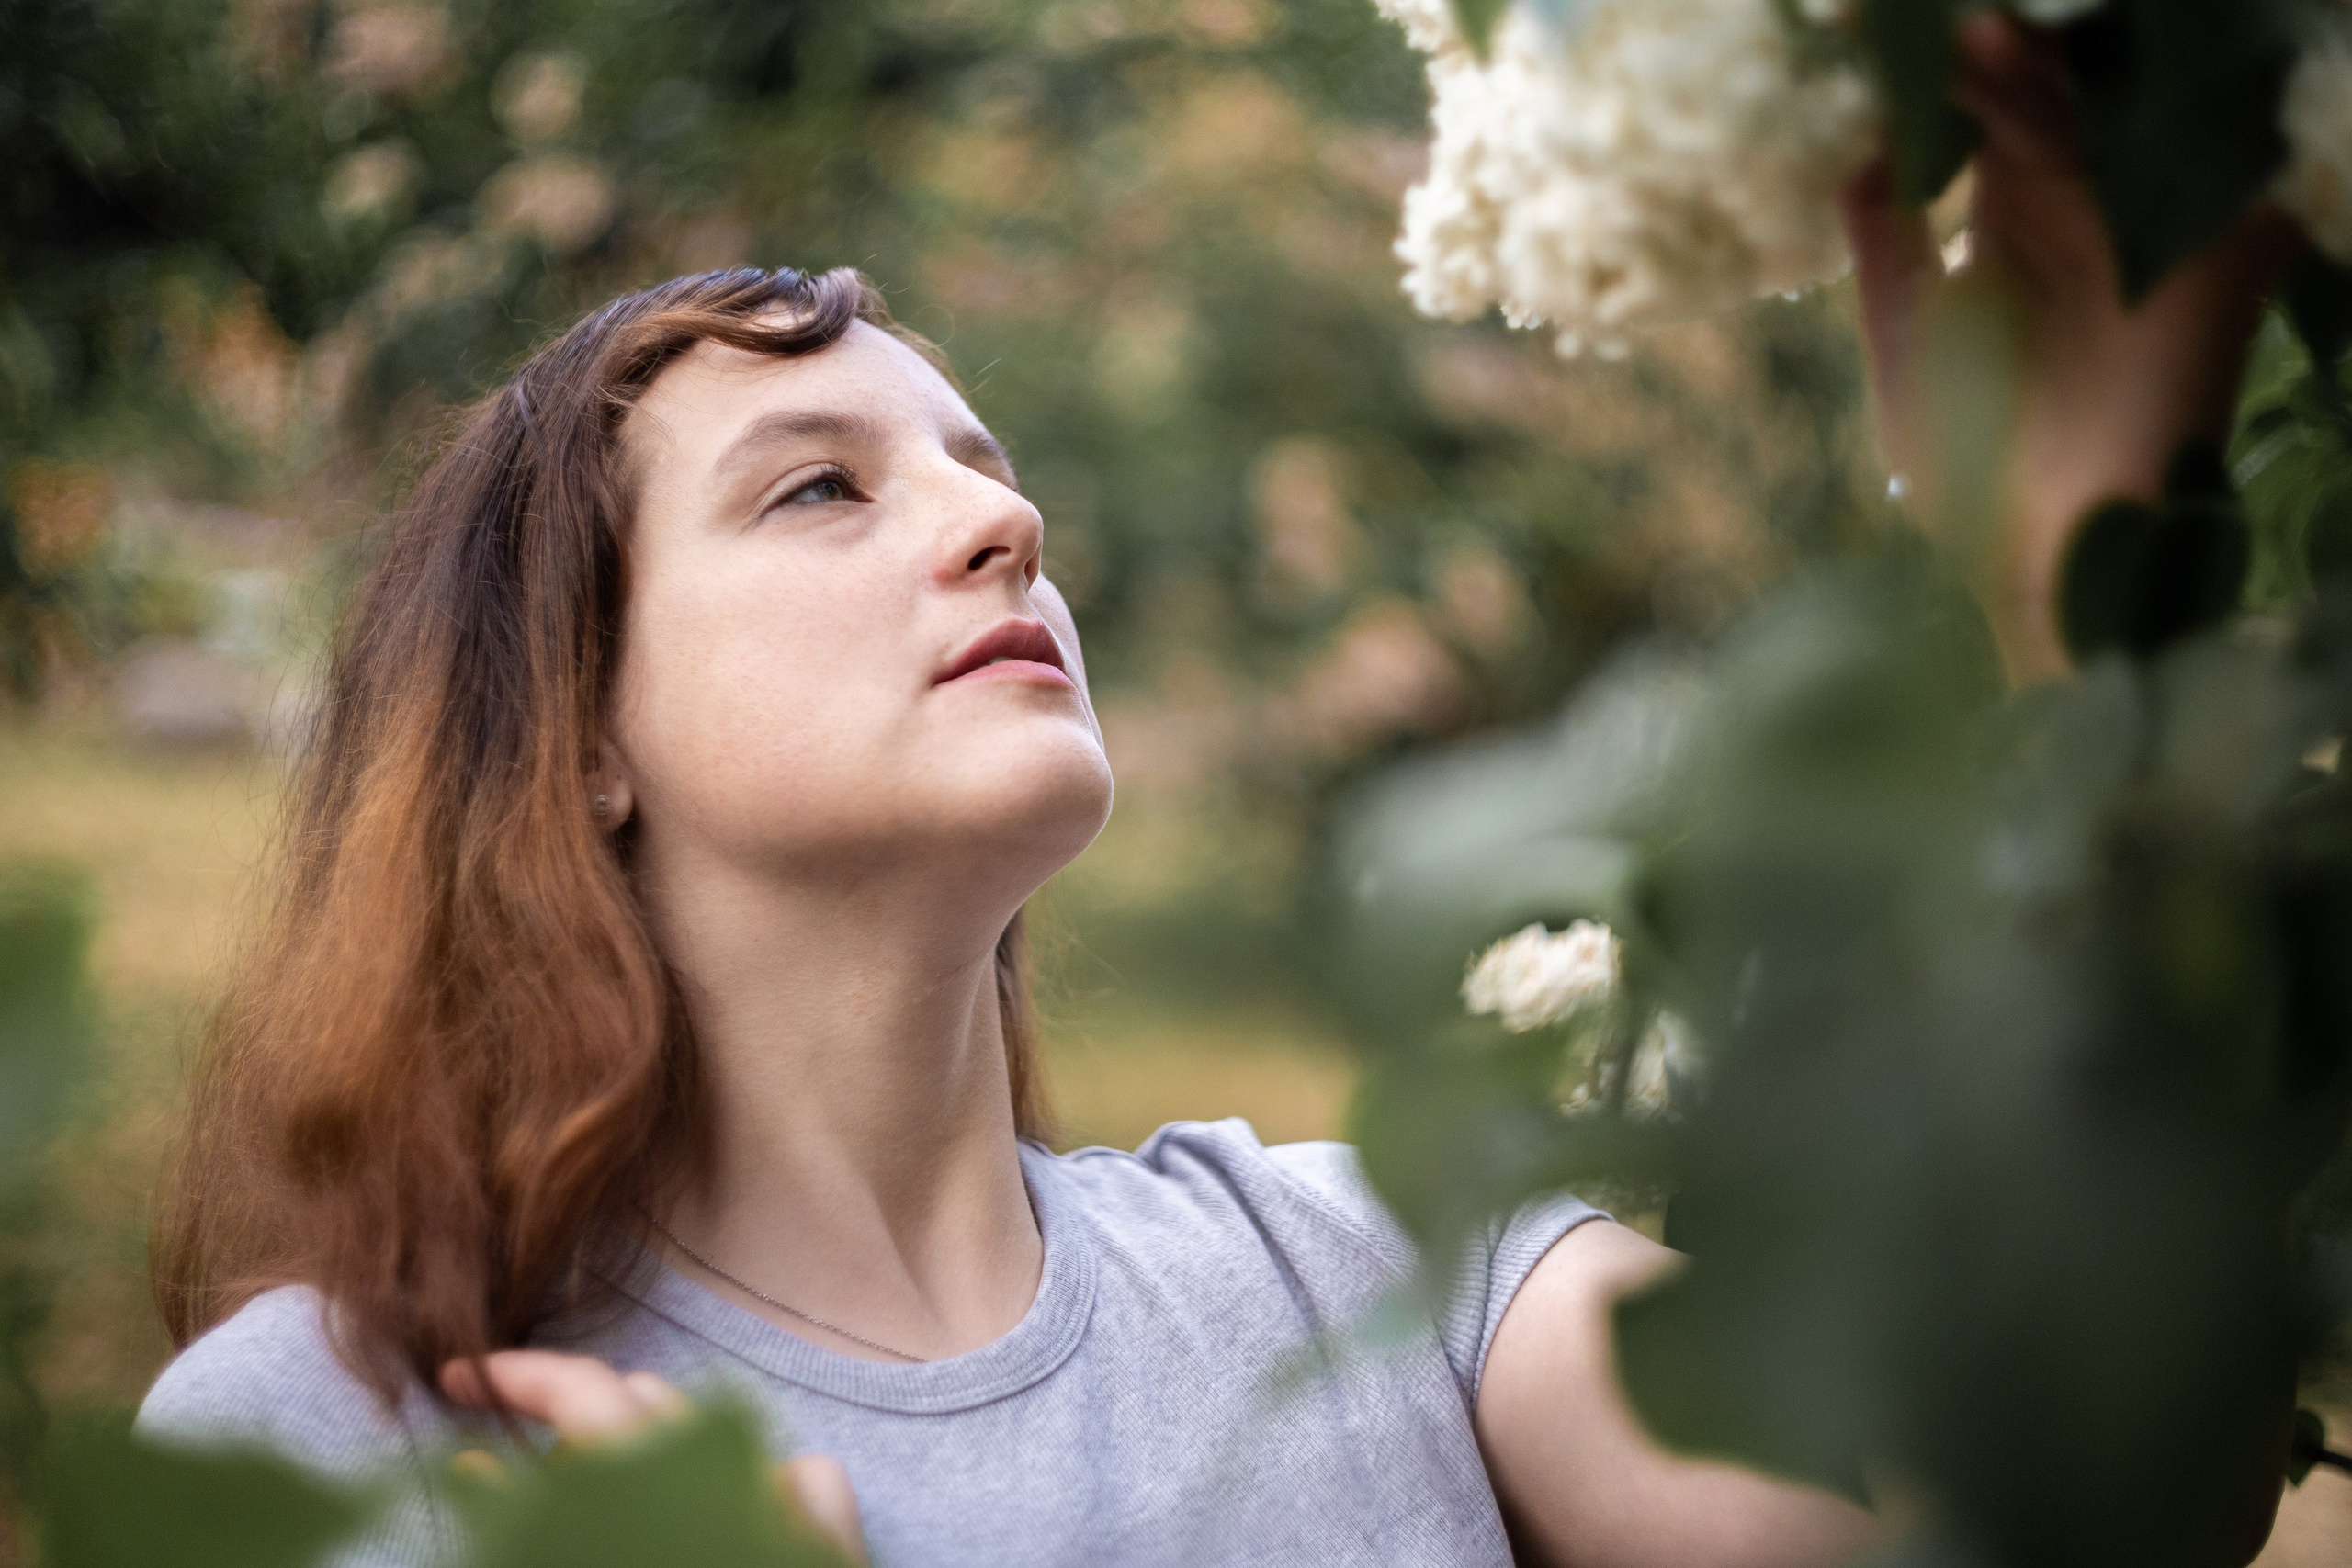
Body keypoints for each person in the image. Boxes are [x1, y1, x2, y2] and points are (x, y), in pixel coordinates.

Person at [137, 17, 2301, 1567]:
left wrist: (2060, 606)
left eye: (988, 474)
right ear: (571, 727)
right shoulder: (352, 1430)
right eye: (819, 489)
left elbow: (2071, 1488)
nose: (1003, 530)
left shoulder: (1380, 1264)